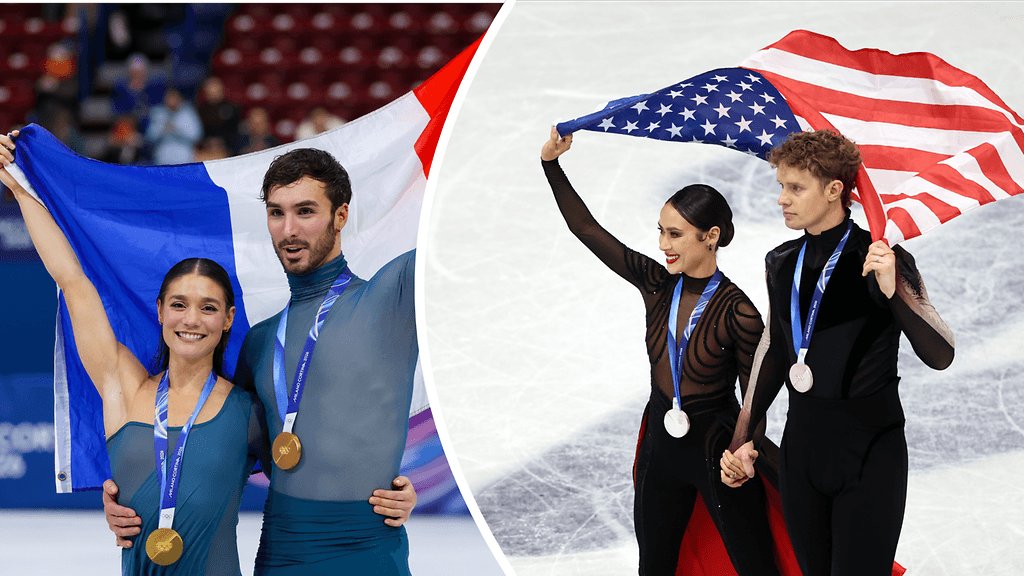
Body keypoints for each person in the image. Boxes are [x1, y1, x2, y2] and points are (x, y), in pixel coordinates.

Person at [105, 147, 420, 575]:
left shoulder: (390, 297)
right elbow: (217, 448)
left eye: (305, 211)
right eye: (277, 213)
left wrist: (546, 165)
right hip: (280, 554)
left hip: (366, 548)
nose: (289, 230)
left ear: (341, 216)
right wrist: (126, 499)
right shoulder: (260, 341)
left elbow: (482, 231)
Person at [0, 130, 266, 574]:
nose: (191, 320)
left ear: (228, 319)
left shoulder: (248, 409)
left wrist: (398, 493)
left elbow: (310, 484)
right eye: (178, 305)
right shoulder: (122, 387)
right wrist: (17, 185)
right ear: (160, 311)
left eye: (208, 308)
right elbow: (73, 282)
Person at [541, 127, 782, 575]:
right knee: (654, 566)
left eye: (674, 234)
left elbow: (756, 397)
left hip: (717, 446)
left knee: (756, 566)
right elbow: (586, 228)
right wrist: (551, 165)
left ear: (710, 236)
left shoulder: (741, 313)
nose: (662, 245)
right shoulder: (655, 285)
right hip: (660, 446)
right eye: (660, 232)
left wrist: (741, 452)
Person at [721, 129, 955, 576]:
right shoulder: (780, 261)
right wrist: (744, 437)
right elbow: (773, 351)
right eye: (781, 187)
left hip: (869, 452)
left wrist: (894, 293)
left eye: (796, 188)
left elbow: (941, 353)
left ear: (834, 191)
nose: (782, 199)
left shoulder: (881, 257)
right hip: (803, 450)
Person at [145, 88, 203, 166]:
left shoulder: (188, 113)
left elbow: (196, 136)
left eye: (174, 98)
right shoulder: (158, 113)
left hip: (184, 158)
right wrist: (162, 128)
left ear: (179, 99)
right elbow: (150, 136)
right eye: (169, 98)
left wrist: (177, 129)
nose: (171, 101)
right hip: (163, 158)